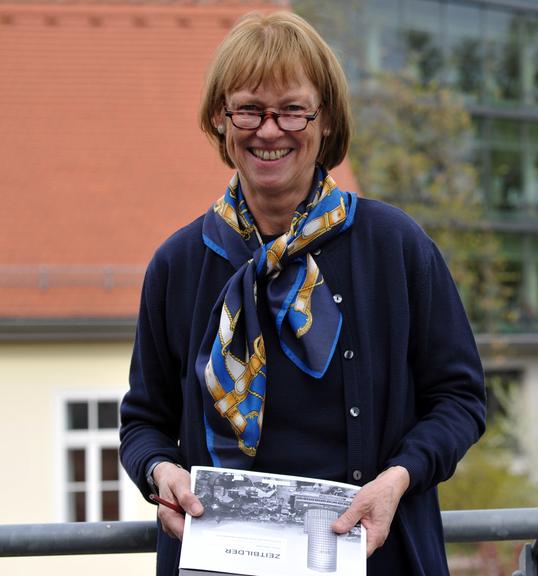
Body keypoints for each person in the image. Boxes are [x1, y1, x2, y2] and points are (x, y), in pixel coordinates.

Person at [119, 10, 485, 576]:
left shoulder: (397, 248)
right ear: (221, 119)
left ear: (327, 120)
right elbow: (143, 422)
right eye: (248, 109)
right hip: (220, 563)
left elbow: (460, 399)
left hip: (375, 559)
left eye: (292, 109)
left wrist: (398, 479)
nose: (269, 130)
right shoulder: (178, 264)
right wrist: (160, 473)